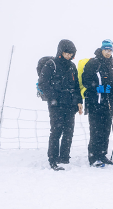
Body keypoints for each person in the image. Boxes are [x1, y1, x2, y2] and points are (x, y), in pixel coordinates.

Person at [38, 39, 83, 171]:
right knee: (56, 131)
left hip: (70, 104)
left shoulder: (72, 66)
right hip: (56, 104)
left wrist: (79, 101)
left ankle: (64, 157)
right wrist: (54, 98)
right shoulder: (51, 64)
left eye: (71, 53)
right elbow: (43, 83)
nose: (69, 55)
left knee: (69, 131)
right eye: (67, 53)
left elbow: (76, 86)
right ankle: (52, 159)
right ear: (60, 51)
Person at [82, 39, 113, 167]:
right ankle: (93, 157)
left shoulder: (112, 64)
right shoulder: (93, 62)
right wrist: (96, 87)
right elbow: (85, 80)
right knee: (95, 130)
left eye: (110, 50)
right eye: (106, 50)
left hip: (107, 102)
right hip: (94, 102)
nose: (108, 52)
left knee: (106, 129)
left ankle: (102, 154)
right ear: (101, 50)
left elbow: (112, 82)